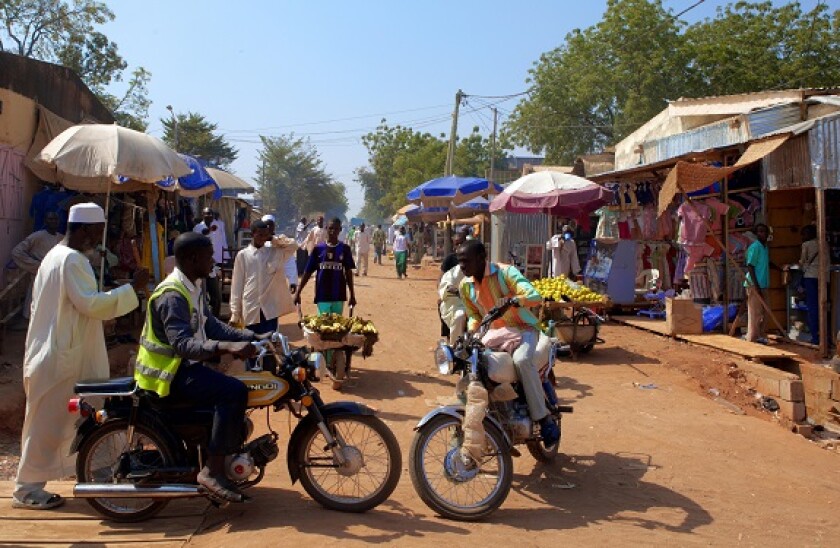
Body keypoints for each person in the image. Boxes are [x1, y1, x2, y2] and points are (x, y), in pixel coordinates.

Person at [14, 203, 148, 510]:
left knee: (87, 416)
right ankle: (27, 490)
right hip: (60, 359)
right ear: (86, 229)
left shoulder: (57, 257)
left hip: (60, 354)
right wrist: (132, 289)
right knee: (46, 426)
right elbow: (92, 305)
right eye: (98, 231)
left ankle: (101, 475)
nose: (100, 238)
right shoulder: (71, 260)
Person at [134, 232, 258, 503]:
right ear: (193, 259)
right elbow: (183, 344)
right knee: (233, 392)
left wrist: (251, 337)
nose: (213, 260)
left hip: (184, 368)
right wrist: (225, 348)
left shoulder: (192, 287)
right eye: (208, 255)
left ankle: (220, 452)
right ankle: (213, 472)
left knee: (232, 387)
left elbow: (211, 326)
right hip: (170, 375)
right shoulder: (172, 295)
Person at [457, 240, 560, 448]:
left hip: (523, 330)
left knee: (522, 360)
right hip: (494, 334)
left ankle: (544, 418)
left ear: (481, 258)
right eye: (459, 262)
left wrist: (515, 300)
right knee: (470, 362)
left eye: (465, 261)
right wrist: (471, 332)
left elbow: (535, 295)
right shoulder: (465, 286)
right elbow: (474, 316)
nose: (462, 266)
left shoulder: (506, 273)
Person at [294, 218, 356, 388]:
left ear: (340, 230)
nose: (332, 231)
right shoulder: (318, 249)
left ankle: (332, 359)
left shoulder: (345, 249)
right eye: (330, 228)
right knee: (323, 328)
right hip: (322, 295)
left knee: (336, 328)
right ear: (326, 229)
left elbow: (348, 273)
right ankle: (324, 360)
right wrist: (298, 292)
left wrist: (352, 295)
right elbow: (307, 272)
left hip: (339, 295)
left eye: (336, 229)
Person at [230, 219, 297, 339]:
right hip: (250, 308)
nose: (263, 238)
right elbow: (237, 285)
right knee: (250, 345)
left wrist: (273, 239)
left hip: (269, 310)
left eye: (266, 235)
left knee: (269, 346)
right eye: (260, 235)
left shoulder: (274, 253)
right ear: (252, 235)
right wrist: (235, 312)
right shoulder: (243, 255)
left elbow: (293, 245)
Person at [11, 211, 64, 327]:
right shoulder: (37, 236)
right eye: (50, 219)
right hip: (40, 276)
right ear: (45, 221)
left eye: (55, 219)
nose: (53, 222)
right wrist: (36, 265)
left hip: (56, 278)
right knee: (34, 302)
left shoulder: (62, 238)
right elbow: (17, 252)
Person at [192, 208, 226, 317]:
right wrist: (210, 230)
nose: (209, 216)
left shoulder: (216, 227)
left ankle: (214, 320)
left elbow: (218, 244)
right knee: (201, 296)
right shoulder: (198, 227)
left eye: (211, 214)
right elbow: (202, 233)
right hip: (199, 266)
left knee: (216, 297)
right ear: (203, 215)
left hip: (211, 266)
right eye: (207, 214)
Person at [438, 229, 469, 344]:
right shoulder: (450, 260)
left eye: (462, 243)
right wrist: (442, 292)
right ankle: (452, 343)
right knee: (457, 314)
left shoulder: (472, 259)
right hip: (455, 298)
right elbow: (441, 278)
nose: (460, 246)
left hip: (472, 296)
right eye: (457, 244)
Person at [745, 224, 771, 344]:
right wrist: (756, 286)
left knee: (765, 311)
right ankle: (753, 337)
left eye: (764, 232)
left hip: (764, 283)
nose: (763, 234)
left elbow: (766, 262)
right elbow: (750, 266)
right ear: (756, 233)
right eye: (760, 232)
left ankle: (760, 335)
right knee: (754, 312)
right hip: (755, 284)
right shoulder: (755, 247)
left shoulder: (765, 247)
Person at [261, 215, 298, 295]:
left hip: (277, 284)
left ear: (274, 226)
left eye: (270, 225)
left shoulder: (281, 241)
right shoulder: (258, 243)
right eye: (265, 225)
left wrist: (292, 281)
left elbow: (289, 260)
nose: (268, 227)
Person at [798, 224, 819, 345]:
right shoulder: (824, 243)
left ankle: (815, 337)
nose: (802, 237)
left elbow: (802, 262)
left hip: (811, 277)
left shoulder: (806, 245)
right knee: (823, 307)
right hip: (824, 277)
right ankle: (824, 335)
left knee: (812, 307)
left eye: (804, 234)